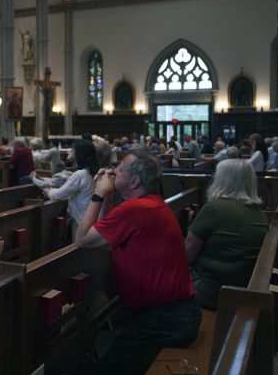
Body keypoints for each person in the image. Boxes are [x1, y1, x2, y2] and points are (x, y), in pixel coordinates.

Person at [74, 149, 201, 374]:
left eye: (119, 169)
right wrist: (108, 197)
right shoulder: (150, 203)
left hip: (164, 320)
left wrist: (99, 193)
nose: (112, 171)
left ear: (134, 181)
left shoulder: (135, 209)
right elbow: (101, 235)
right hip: (175, 314)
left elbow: (82, 239)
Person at [184, 159, 268, 310]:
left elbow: (187, 254)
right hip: (242, 286)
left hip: (211, 289)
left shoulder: (215, 208)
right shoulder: (258, 212)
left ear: (223, 179)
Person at [43, 140, 99, 240]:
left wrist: (49, 192)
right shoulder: (94, 171)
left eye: (73, 151)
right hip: (91, 218)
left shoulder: (80, 174)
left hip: (80, 220)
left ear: (79, 154)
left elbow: (60, 194)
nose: (71, 153)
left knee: (78, 249)